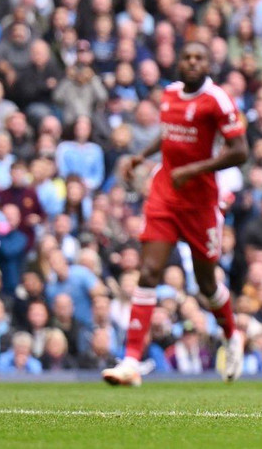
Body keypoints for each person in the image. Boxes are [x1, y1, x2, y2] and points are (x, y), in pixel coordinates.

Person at [103, 42, 249, 387]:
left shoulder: (218, 101)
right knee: (149, 270)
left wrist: (196, 169)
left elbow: (239, 151)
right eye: (187, 56)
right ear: (179, 63)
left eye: (199, 57)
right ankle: (130, 361)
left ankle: (231, 335)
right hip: (165, 194)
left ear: (209, 63)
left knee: (206, 284)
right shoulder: (169, 94)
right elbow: (169, 135)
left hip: (200, 204)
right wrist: (142, 155)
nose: (193, 62)